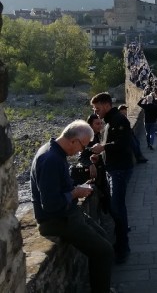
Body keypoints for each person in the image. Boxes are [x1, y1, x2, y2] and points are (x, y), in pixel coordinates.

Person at [30, 120, 114, 293]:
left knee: (103, 236)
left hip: (68, 212)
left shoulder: (56, 152)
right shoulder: (50, 159)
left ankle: (100, 285)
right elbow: (51, 204)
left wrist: (78, 188)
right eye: (82, 147)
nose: (80, 152)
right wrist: (76, 193)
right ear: (74, 140)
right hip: (56, 220)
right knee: (104, 252)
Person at [90, 92, 134, 263]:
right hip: (114, 169)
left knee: (117, 208)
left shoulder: (119, 120)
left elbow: (124, 144)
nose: (96, 111)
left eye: (97, 107)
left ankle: (123, 247)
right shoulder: (108, 122)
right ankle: (121, 244)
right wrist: (99, 156)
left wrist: (103, 148)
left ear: (107, 105)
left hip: (120, 169)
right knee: (116, 207)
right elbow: (111, 146)